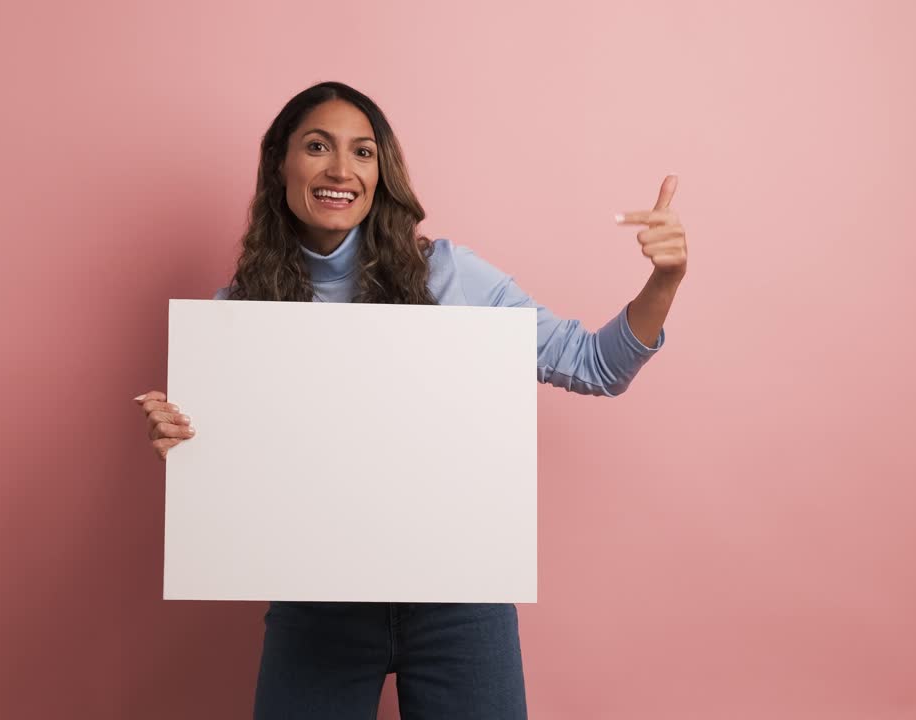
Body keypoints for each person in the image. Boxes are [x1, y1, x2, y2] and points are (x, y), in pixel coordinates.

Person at [134, 81, 687, 720]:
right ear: (280, 165)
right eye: (317, 147)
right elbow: (241, 484)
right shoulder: (237, 316)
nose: (341, 169)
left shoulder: (449, 275)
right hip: (316, 602)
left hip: (459, 599)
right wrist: (184, 446)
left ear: (381, 172)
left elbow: (596, 366)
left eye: (362, 153)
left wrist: (665, 280)